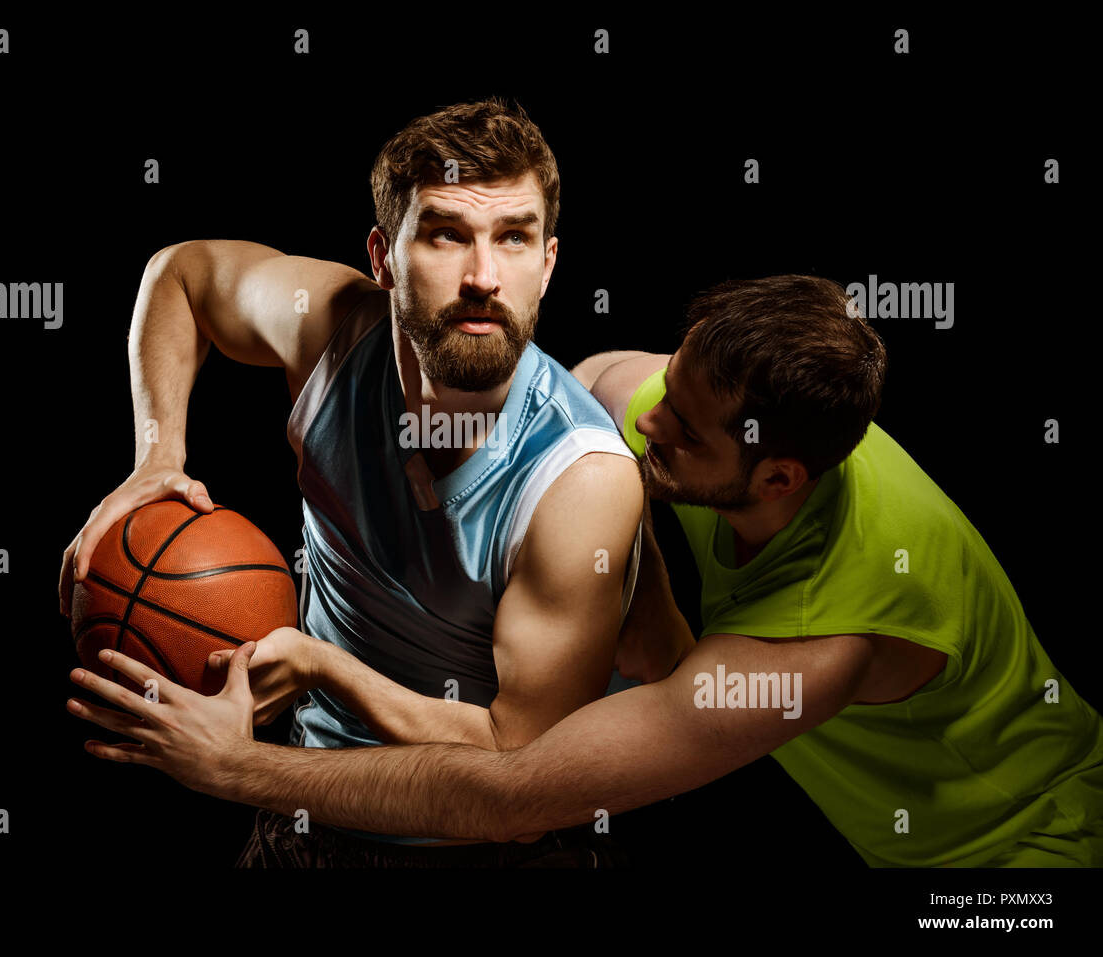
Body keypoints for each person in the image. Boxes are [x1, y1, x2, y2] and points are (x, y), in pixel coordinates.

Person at [69, 274, 1103, 867]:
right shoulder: (686, 413)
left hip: (1011, 849)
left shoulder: (822, 644)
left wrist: (230, 769)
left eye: (682, 431)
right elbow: (600, 390)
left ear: (778, 476)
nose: (646, 416)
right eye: (670, 385)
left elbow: (518, 794)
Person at [59, 97, 691, 866]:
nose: (484, 276)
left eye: (514, 237)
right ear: (383, 255)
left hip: (477, 843)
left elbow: (518, 758)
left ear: (549, 263)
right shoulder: (328, 328)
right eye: (446, 234)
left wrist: (325, 668)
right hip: (305, 804)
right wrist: (157, 457)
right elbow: (183, 275)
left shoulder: (578, 480)